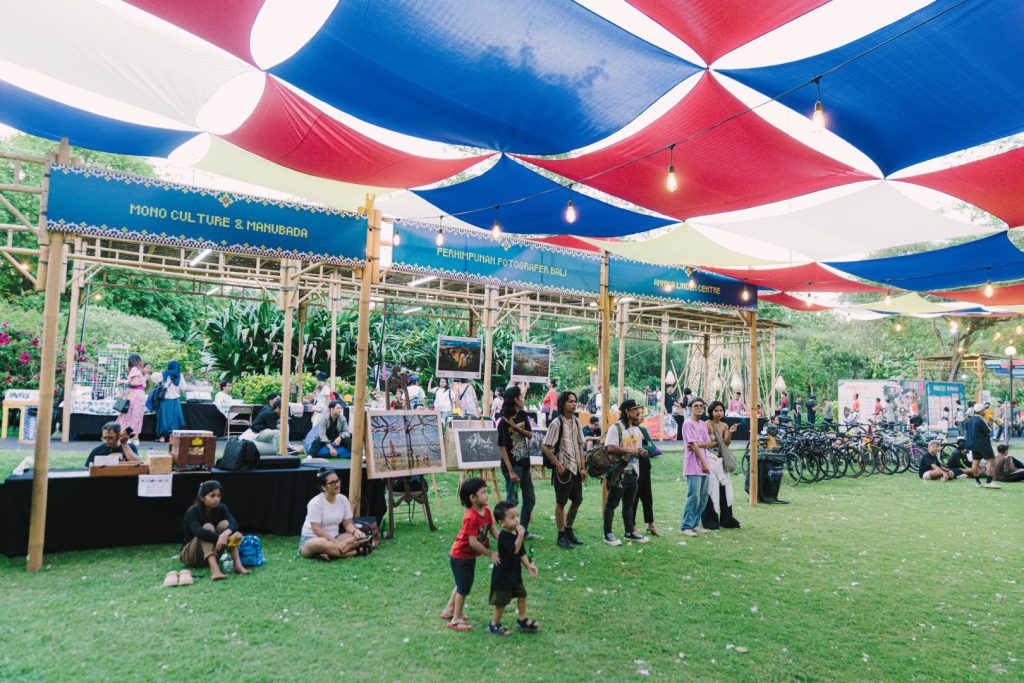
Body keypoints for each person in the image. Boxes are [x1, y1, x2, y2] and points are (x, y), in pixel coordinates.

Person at [441, 477, 498, 631]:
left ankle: (449, 611)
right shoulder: (470, 517)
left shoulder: (486, 511)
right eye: (483, 493)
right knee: (464, 587)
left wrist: (505, 539)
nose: (487, 495)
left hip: (467, 556)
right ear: (473, 498)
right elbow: (473, 542)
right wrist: (490, 554)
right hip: (460, 556)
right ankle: (456, 619)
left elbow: (492, 530)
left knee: (461, 584)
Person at [541, 391, 587, 550]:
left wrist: (583, 466)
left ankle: (569, 530)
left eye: (575, 401)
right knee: (561, 502)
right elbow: (545, 446)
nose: (574, 404)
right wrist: (558, 464)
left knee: (577, 500)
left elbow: (581, 444)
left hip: (575, 469)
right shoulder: (556, 423)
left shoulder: (576, 421)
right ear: (562, 404)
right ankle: (561, 535)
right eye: (570, 402)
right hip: (563, 470)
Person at [179, 480, 249, 581]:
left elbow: (234, 523)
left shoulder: (221, 508)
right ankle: (215, 571)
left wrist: (225, 534)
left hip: (213, 552)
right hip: (191, 556)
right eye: (212, 496)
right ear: (202, 498)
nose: (216, 499)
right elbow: (199, 532)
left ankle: (238, 565)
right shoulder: (192, 511)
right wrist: (226, 539)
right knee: (207, 527)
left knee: (225, 524)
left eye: (218, 496)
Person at [488, 501, 539, 636]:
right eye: (512, 517)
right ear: (502, 523)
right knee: (502, 602)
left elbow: (521, 552)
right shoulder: (503, 537)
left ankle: (522, 620)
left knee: (522, 595)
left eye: (517, 516)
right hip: (503, 577)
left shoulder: (516, 533)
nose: (516, 519)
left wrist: (529, 566)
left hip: (515, 574)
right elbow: (514, 550)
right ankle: (494, 625)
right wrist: (521, 535)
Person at [602, 399, 648, 546]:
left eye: (639, 410)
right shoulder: (616, 428)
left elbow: (636, 448)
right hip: (619, 472)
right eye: (635, 410)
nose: (638, 412)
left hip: (633, 472)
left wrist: (640, 451)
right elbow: (610, 448)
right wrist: (630, 451)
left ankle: (629, 532)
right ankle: (607, 533)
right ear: (627, 411)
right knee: (612, 504)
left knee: (629, 504)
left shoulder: (636, 430)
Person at [298, 469, 370, 560]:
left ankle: (327, 553)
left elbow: (347, 523)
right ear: (324, 487)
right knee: (320, 543)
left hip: (334, 537)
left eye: (337, 481)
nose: (337, 484)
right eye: (332, 483)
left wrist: (356, 531)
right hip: (313, 539)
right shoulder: (315, 503)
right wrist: (337, 543)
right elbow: (317, 529)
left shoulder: (343, 499)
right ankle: (355, 552)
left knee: (359, 536)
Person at [498, 385, 538, 539]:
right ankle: (509, 533)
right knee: (512, 499)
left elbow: (529, 434)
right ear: (515, 399)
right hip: (512, 466)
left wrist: (517, 428)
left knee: (530, 498)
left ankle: (522, 529)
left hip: (524, 463)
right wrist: (510, 471)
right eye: (521, 396)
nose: (523, 399)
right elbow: (502, 447)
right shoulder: (503, 422)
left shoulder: (522, 415)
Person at [701, 401, 741, 529]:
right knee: (711, 488)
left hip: (721, 460)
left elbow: (726, 444)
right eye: (716, 411)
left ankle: (727, 519)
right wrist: (718, 443)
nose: (719, 413)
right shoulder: (706, 425)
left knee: (724, 488)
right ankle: (710, 520)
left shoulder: (724, 425)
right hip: (710, 459)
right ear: (711, 412)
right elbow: (704, 444)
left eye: (721, 410)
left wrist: (731, 431)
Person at [680, 397, 713, 537]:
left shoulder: (703, 424)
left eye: (701, 406)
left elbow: (708, 443)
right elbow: (693, 445)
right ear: (690, 408)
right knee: (694, 496)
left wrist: (698, 444)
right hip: (694, 464)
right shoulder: (688, 424)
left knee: (704, 496)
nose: (699, 408)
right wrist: (704, 463)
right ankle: (686, 526)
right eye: (695, 406)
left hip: (704, 462)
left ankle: (694, 524)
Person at [632, 406, 661, 537]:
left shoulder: (643, 429)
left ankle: (650, 523)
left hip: (645, 465)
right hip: (634, 466)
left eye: (643, 414)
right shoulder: (629, 430)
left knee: (647, 496)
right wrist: (640, 448)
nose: (642, 416)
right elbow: (630, 447)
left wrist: (640, 447)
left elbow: (653, 448)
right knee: (634, 496)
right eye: (639, 414)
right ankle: (632, 524)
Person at [964, 403, 1000, 488]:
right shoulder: (981, 419)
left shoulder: (971, 420)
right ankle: (989, 482)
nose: (985, 411)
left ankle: (978, 482)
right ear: (981, 411)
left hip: (972, 444)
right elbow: (988, 431)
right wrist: (991, 422)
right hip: (983, 444)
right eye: (984, 410)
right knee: (991, 461)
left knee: (975, 463)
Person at [115, 353, 146, 441]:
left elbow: (135, 383)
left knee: (127, 415)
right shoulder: (141, 370)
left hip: (135, 394)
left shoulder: (134, 369)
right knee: (137, 415)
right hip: (140, 394)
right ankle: (135, 437)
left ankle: (123, 435)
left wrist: (123, 382)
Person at [155, 360, 185, 442]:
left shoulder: (165, 373)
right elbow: (183, 388)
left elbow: (153, 377)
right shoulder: (180, 375)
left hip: (165, 400)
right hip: (175, 400)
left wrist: (160, 372)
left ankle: (162, 437)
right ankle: (173, 437)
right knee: (174, 419)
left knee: (163, 418)